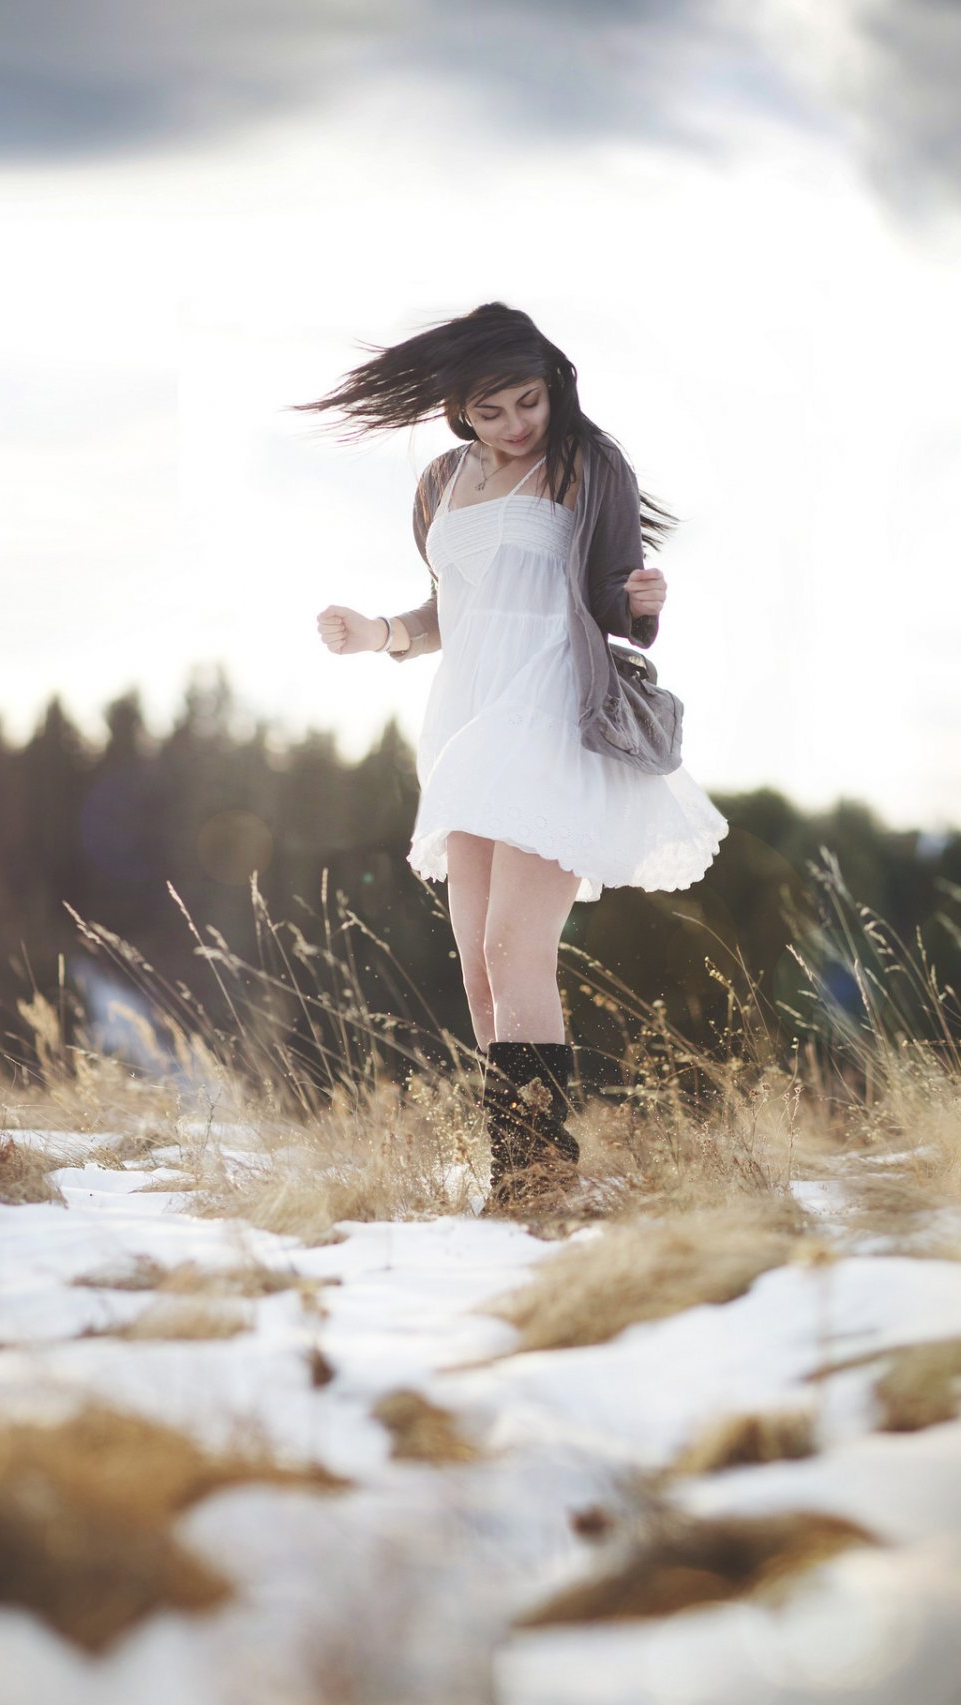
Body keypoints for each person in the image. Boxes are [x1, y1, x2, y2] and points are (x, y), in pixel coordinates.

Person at [298, 302, 729, 1210]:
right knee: (474, 959)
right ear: (459, 411)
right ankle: (521, 1174)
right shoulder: (442, 482)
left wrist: (643, 599)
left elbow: (613, 599)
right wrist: (377, 633)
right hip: (465, 719)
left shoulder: (585, 462)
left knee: (513, 942)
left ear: (553, 385)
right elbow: (448, 610)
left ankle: (540, 1176)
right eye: (489, 412)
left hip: (549, 709)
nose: (513, 425)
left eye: (526, 402)